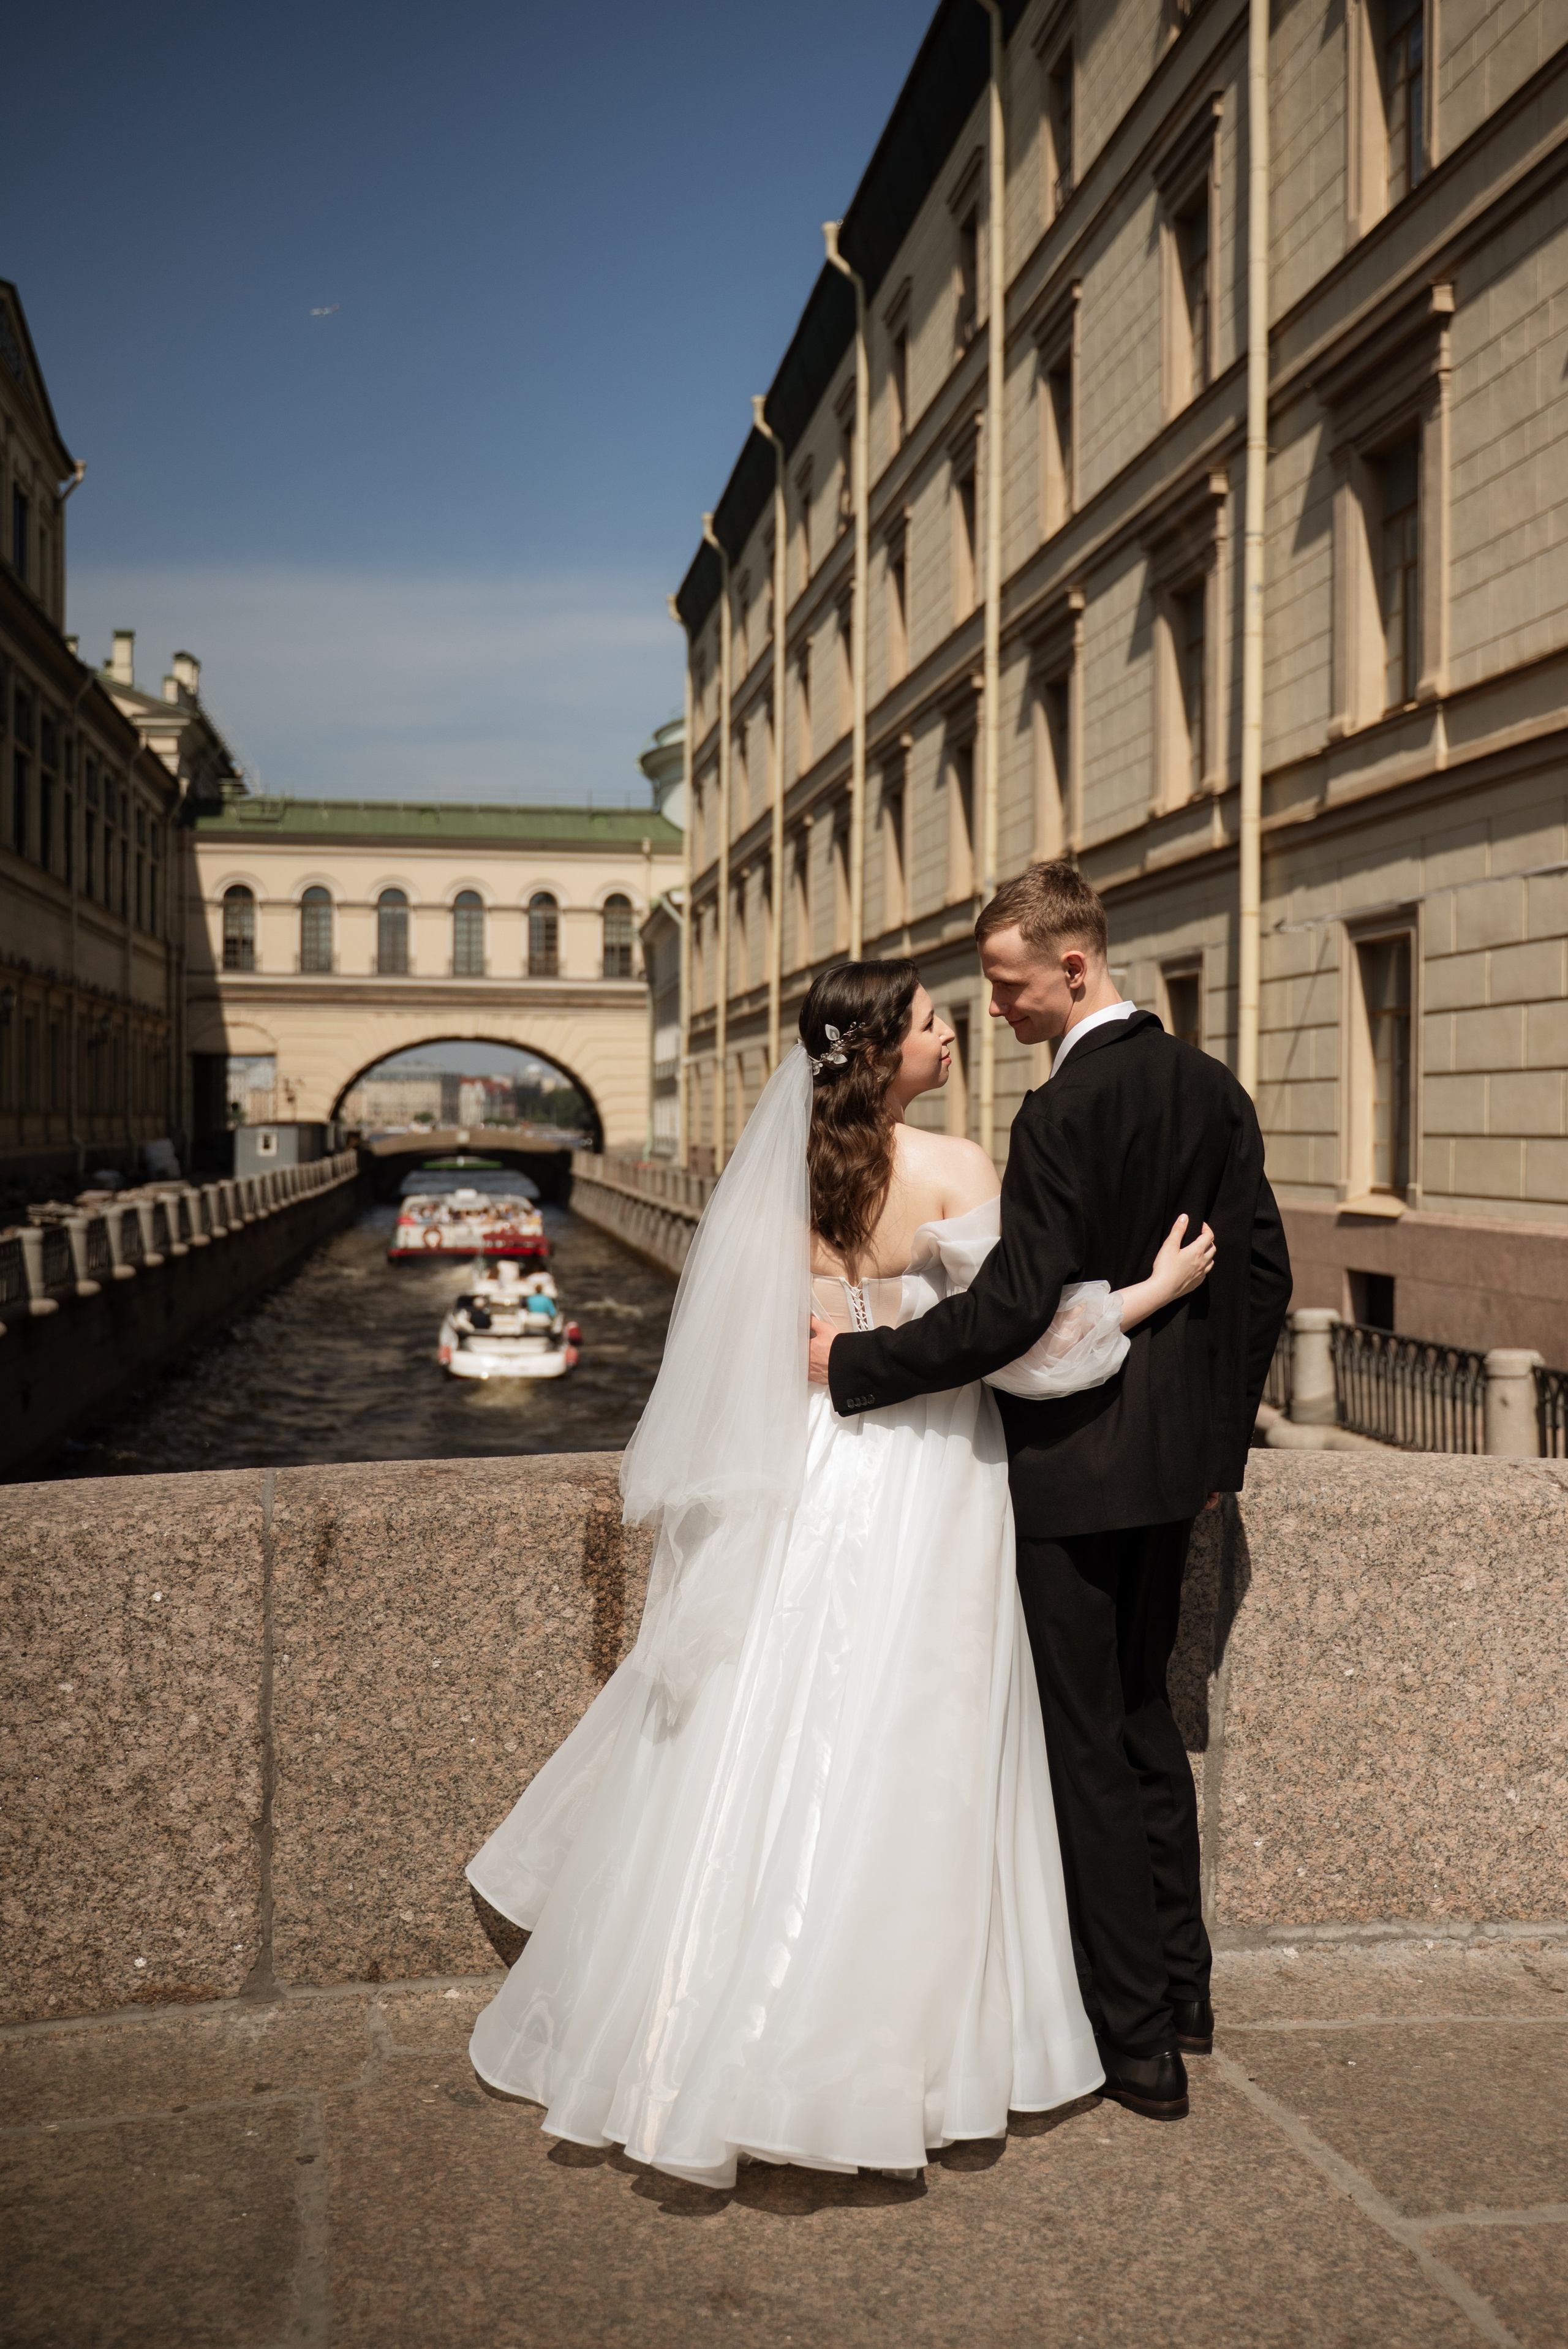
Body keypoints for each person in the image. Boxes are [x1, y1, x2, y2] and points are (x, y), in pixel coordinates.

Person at [466, 957, 1217, 2185]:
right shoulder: (956, 1168)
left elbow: (749, 1341)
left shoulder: (783, 1175)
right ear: (879, 1053)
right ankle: (890, 2048)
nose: (951, 1034)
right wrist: (1150, 1291)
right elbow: (1027, 1347)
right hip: (924, 1463)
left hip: (810, 1464)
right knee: (915, 1738)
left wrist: (842, 1342)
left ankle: (705, 2020)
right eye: (930, 1022)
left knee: (769, 1720)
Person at [812, 865, 1293, 2123]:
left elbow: (1014, 1313)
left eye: (1009, 985)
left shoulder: (1060, 1112)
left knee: (1086, 1745)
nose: (997, 1009)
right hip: (1170, 1477)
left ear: (1072, 967)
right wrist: (1212, 1460)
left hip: (1073, 1476)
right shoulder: (1209, 1087)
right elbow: (1261, 1277)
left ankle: (1133, 2045)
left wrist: (855, 1364)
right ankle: (1183, 1993)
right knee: (1145, 1722)